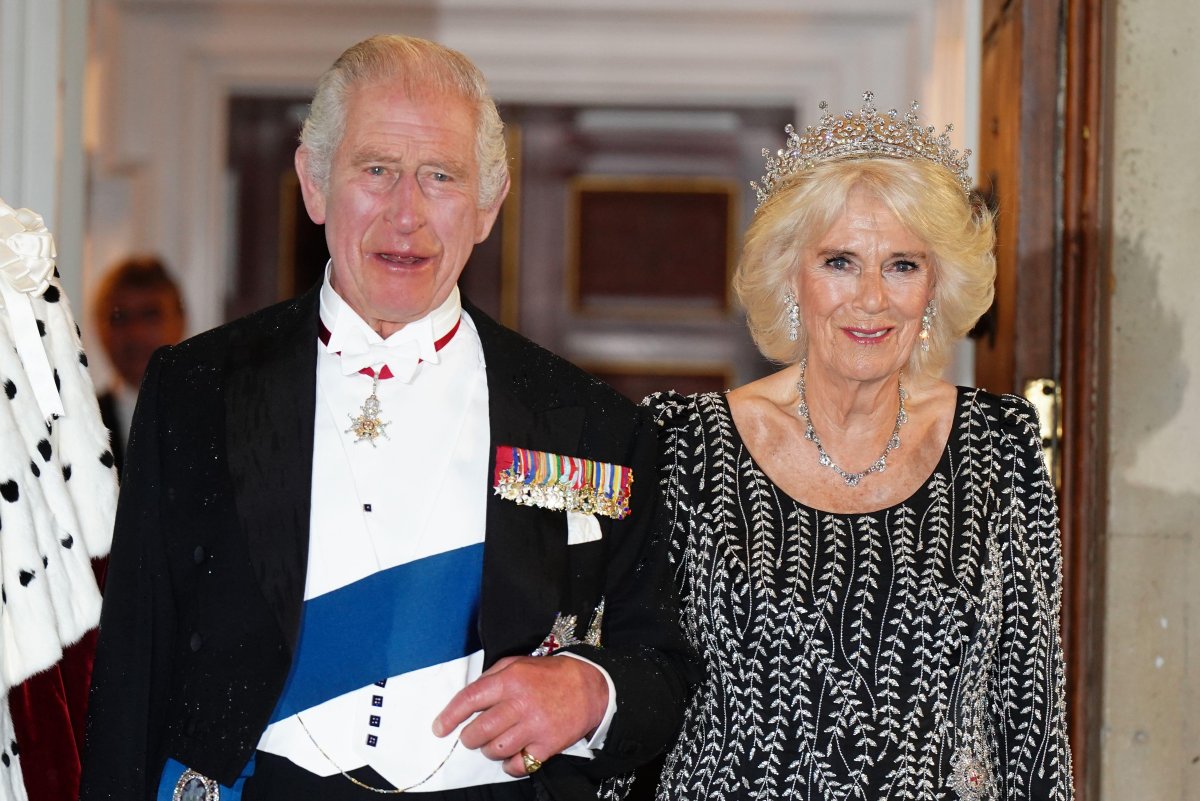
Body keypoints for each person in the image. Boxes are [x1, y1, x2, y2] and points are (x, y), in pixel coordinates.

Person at [80, 35, 692, 801]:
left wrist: (590, 689)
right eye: (376, 171)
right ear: (313, 183)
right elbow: (132, 662)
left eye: (441, 176)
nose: (407, 215)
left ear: (488, 205)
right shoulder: (198, 391)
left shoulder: (592, 424)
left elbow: (662, 670)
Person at [645, 93, 1073, 801]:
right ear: (792, 274)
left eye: (903, 264)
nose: (871, 297)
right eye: (840, 261)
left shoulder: (999, 447)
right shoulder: (685, 445)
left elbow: (1029, 718)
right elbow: (632, 682)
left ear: (936, 285)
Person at [90, 254, 186, 473]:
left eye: (151, 315)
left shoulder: (209, 416)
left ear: (180, 321)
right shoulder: (81, 422)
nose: (135, 333)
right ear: (99, 327)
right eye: (119, 317)